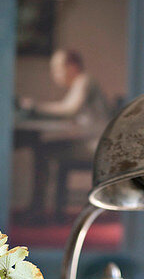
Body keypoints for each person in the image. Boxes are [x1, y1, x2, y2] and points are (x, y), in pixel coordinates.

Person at [19, 49, 110, 220]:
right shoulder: (81, 83)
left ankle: (38, 208)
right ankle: (41, 206)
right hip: (92, 142)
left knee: (43, 151)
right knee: (45, 148)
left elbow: (69, 109)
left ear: (73, 66)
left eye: (58, 68)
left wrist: (34, 107)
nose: (54, 73)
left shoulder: (84, 80)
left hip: (96, 147)